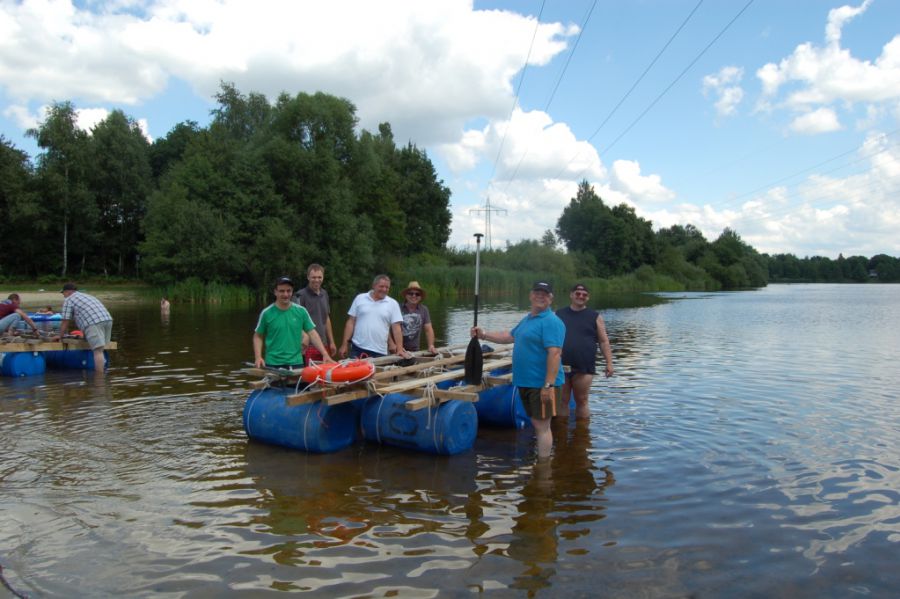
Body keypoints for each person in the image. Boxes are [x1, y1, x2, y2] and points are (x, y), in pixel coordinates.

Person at [471, 281, 565, 459]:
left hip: (542, 383)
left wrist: (548, 385)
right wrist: (483, 334)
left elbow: (555, 354)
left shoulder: (552, 322)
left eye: (545, 294)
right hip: (526, 381)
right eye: (537, 292)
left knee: (542, 426)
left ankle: (544, 466)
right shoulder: (528, 319)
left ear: (551, 298)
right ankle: (540, 460)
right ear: (531, 295)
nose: (540, 296)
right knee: (536, 423)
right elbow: (509, 336)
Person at [556, 283, 614, 420]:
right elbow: (549, 338)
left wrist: (609, 363)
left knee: (582, 400)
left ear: (588, 297)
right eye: (577, 293)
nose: (581, 296)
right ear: (571, 295)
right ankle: (561, 431)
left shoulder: (595, 316)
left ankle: (582, 432)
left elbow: (603, 341)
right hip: (561, 365)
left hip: (584, 366)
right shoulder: (559, 314)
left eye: (584, 294)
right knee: (562, 401)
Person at [253, 276, 333, 370]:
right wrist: (258, 357)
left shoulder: (301, 311)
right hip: (272, 364)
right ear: (275, 292)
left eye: (289, 291)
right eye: (282, 291)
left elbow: (312, 333)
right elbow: (258, 336)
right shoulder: (266, 313)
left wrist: (325, 354)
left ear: (292, 291)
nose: (286, 294)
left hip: (296, 363)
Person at [339, 274, 410, 359]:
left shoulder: (393, 304)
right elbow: (351, 322)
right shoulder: (360, 298)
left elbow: (396, 328)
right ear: (374, 286)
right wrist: (344, 344)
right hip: (357, 348)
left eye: (387, 287)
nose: (384, 289)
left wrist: (399, 349)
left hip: (379, 351)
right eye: (381, 286)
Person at [54, 283, 113, 370]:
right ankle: (104, 371)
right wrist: (85, 337)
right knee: (102, 348)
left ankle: (99, 377)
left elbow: (65, 321)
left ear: (67, 292)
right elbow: (86, 315)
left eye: (63, 293)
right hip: (108, 320)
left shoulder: (69, 300)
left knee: (98, 351)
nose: (63, 295)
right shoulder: (87, 296)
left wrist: (60, 336)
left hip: (94, 322)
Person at [292, 263, 337, 363]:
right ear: (308, 277)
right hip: (307, 346)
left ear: (323, 277)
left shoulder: (324, 294)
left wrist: (332, 342)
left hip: (323, 344)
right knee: (309, 372)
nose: (317, 280)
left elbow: (326, 319)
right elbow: (294, 321)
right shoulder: (299, 296)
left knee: (324, 371)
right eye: (313, 277)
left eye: (319, 277)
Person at [398, 281, 437, 354]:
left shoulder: (424, 309)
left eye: (417, 294)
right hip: (397, 350)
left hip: (415, 350)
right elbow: (389, 328)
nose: (414, 296)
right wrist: (394, 346)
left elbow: (428, 329)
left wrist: (431, 345)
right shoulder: (397, 308)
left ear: (420, 297)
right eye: (411, 293)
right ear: (406, 295)